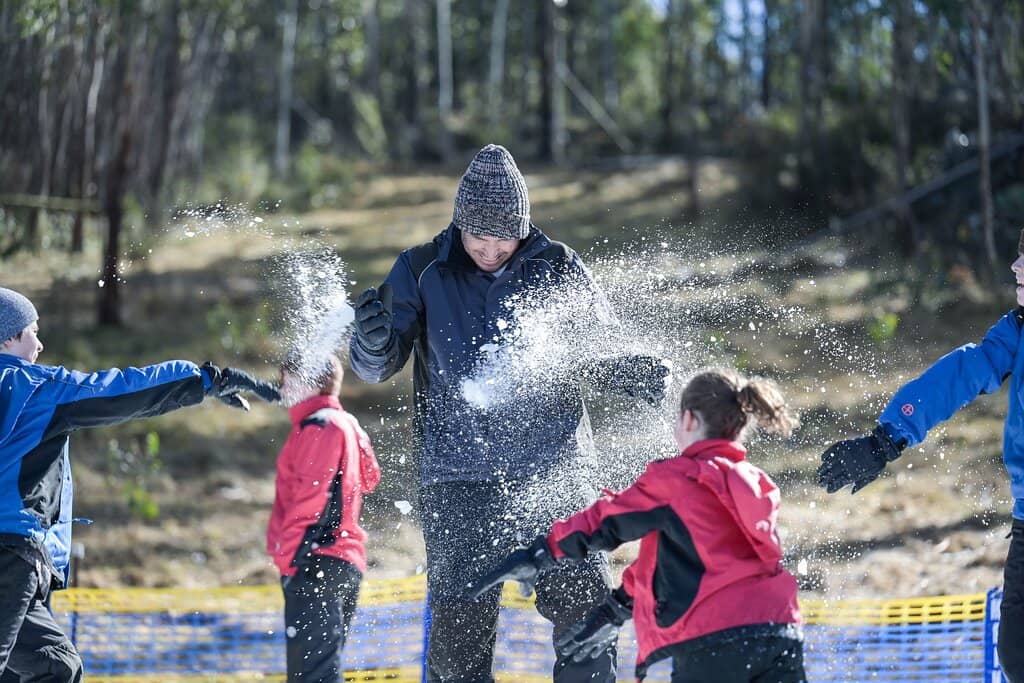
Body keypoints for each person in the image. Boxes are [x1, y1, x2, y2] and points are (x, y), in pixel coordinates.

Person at [349, 143, 669, 683]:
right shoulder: (420, 268)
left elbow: (598, 344)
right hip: (459, 482)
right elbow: (375, 367)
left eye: (506, 235)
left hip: (556, 476)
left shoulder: (556, 264)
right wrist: (373, 344)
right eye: (480, 234)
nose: (492, 248)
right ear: (459, 223)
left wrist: (625, 371)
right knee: (456, 656)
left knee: (586, 625)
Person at [0, 286, 280, 681]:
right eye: (31, 331)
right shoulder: (32, 389)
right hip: (9, 552)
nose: (40, 343)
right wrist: (205, 381)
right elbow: (121, 391)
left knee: (56, 666)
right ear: (8, 337)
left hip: (20, 559)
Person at [469, 368, 806, 683]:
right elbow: (680, 564)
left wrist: (541, 553)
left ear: (688, 420)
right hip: (781, 629)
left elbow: (606, 521)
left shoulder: (680, 478)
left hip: (714, 638)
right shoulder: (757, 482)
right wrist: (613, 612)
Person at [816, 227, 1024, 683]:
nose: (1015, 265)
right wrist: (886, 440)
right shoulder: (1018, 331)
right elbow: (961, 373)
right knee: (1015, 655)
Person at [267, 352, 381, 682]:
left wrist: (290, 561)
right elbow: (371, 477)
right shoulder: (347, 423)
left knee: (313, 678)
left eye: (286, 379)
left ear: (308, 382)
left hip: (314, 561)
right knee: (320, 672)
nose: (281, 387)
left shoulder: (320, 426)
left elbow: (310, 503)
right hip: (344, 563)